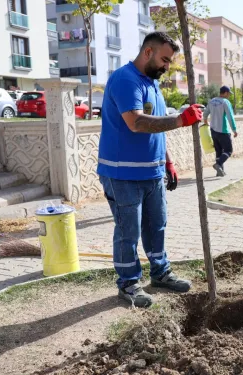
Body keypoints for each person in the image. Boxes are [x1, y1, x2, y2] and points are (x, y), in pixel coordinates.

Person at [98, 32, 204, 307]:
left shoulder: (151, 84)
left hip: (152, 172)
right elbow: (137, 123)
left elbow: (157, 129)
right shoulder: (125, 80)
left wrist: (167, 161)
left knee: (156, 226)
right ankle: (128, 284)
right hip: (123, 174)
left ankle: (160, 273)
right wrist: (180, 119)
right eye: (164, 59)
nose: (167, 66)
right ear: (148, 52)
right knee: (128, 232)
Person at [203, 86, 238, 177]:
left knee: (219, 151)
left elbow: (205, 114)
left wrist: (206, 123)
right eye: (229, 93)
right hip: (223, 130)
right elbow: (230, 117)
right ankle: (218, 164)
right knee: (228, 150)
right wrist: (234, 130)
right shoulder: (225, 102)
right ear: (225, 92)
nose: (229, 95)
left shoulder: (212, 101)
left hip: (213, 130)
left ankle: (220, 172)